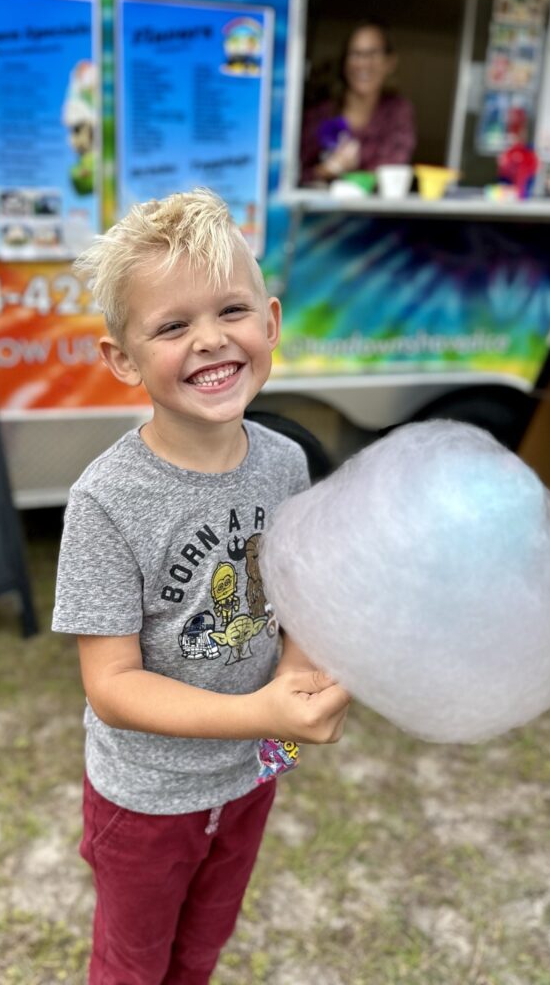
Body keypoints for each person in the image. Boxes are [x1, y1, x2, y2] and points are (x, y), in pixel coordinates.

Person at [51, 188, 351, 984]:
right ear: (122, 358)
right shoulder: (106, 501)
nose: (211, 340)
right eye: (173, 325)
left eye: (231, 310)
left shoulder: (285, 461)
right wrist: (263, 710)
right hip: (144, 800)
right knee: (133, 963)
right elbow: (111, 685)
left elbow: (295, 592)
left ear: (272, 322)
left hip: (254, 771)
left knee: (203, 948)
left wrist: (296, 673)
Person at [300, 20, 416, 183]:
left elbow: (392, 170)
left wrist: (350, 171)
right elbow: (293, 176)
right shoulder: (319, 114)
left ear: (390, 62)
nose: (363, 63)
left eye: (373, 53)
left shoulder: (397, 111)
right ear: (344, 62)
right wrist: (327, 169)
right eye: (355, 53)